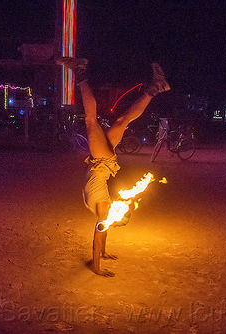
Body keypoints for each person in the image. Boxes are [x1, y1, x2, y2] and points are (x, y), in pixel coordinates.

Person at [56, 57, 170, 277]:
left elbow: (102, 231)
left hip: (102, 162)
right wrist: (97, 267)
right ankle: (80, 72)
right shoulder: (105, 211)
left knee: (121, 122)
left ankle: (155, 89)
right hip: (101, 161)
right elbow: (100, 233)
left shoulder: (104, 214)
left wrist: (105, 253)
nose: (118, 211)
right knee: (91, 121)